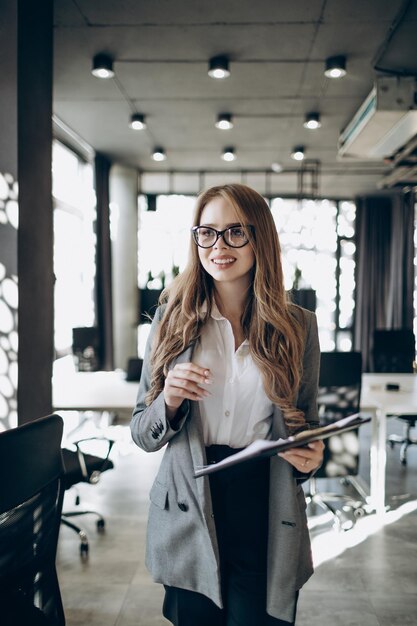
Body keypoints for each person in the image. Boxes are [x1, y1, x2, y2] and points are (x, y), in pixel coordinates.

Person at [131, 183, 324, 626]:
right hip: (190, 502)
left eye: (236, 232)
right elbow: (142, 432)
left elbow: (306, 425)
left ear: (261, 239)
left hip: (264, 501)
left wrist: (310, 458)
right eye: (208, 232)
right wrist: (170, 400)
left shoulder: (299, 328)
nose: (219, 246)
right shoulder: (170, 320)